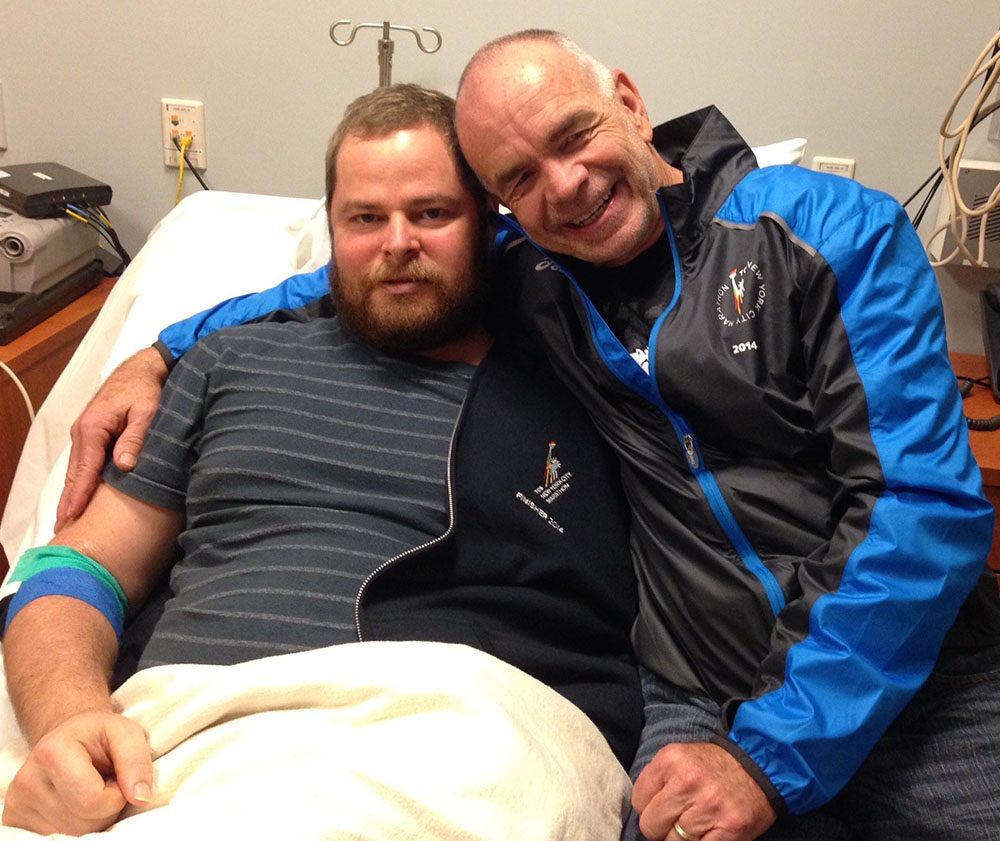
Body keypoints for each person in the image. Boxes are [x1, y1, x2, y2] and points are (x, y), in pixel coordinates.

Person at [54, 30, 1000, 841]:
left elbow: (923, 508)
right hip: (699, 691)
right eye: (518, 179)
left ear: (628, 101)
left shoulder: (825, 233)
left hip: (919, 675)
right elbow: (369, 271)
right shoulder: (537, 270)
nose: (567, 184)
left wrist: (773, 754)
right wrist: (162, 348)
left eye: (575, 134)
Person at [0, 83, 643, 836]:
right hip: (189, 744)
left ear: (489, 225)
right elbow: (74, 566)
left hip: (463, 742)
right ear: (332, 225)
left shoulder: (586, 384)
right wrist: (69, 722)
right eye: (365, 218)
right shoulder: (224, 362)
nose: (396, 242)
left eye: (432, 213)